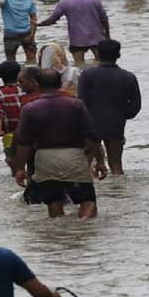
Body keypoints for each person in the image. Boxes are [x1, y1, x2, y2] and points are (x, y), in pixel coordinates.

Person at [14, 69, 107, 219]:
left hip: (45, 159)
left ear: (37, 84)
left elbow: (23, 142)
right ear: (60, 83)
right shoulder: (76, 105)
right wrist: (100, 161)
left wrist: (19, 169)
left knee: (54, 202)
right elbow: (91, 137)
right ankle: (82, 227)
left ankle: (59, 236)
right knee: (88, 201)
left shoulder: (30, 109)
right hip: (74, 156)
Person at [77, 39, 141, 176]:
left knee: (85, 165)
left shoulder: (87, 75)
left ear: (98, 54)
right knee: (116, 164)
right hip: (116, 124)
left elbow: (81, 102)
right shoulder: (128, 77)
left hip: (90, 124)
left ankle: (93, 193)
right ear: (118, 55)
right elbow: (135, 106)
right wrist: (122, 115)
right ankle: (119, 193)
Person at [37, 0, 109, 65]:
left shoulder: (65, 3)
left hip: (77, 39)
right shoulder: (95, 0)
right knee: (102, 63)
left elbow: (52, 19)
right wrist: (107, 35)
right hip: (96, 37)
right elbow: (104, 19)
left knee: (79, 64)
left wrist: (39, 24)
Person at [0, 60, 24, 171]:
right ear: (20, 74)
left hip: (10, 134)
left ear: (1, 76)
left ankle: (15, 175)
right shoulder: (26, 89)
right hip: (28, 132)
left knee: (11, 159)